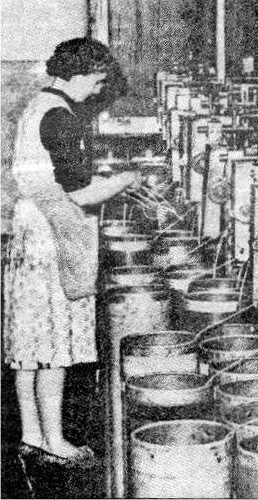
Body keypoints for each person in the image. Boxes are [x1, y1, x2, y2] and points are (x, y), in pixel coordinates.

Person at [3, 38, 139, 465]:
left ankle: (32, 434)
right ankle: (56, 441)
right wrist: (127, 179)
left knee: (29, 342)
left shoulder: (37, 107)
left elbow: (53, 173)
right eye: (97, 81)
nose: (98, 90)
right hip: (53, 235)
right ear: (80, 73)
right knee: (54, 341)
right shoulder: (62, 118)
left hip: (30, 229)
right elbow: (80, 194)